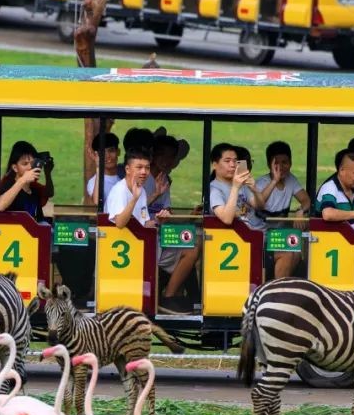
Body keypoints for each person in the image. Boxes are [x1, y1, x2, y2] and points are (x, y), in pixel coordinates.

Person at [104, 147, 200, 314]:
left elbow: (144, 222)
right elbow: (119, 223)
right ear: (127, 169)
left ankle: (168, 298)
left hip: (147, 247)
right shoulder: (120, 191)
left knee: (191, 248)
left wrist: (157, 221)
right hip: (130, 255)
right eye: (139, 167)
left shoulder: (139, 189)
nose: (144, 172)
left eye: (147, 168)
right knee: (190, 250)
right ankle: (168, 298)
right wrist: (134, 199)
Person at [252, 140, 313, 278]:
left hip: (278, 238)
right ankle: (277, 288)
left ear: (291, 163)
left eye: (284, 162)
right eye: (276, 163)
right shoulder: (261, 183)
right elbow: (259, 203)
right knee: (289, 253)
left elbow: (306, 200)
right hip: (259, 239)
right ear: (269, 165)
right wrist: (275, 180)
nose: (280, 167)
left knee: (296, 252)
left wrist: (300, 211)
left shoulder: (291, 180)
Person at [0, 141, 54, 221]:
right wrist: (22, 180)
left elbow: (49, 193)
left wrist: (48, 173)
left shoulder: (33, 187)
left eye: (32, 163)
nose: (30, 167)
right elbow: (1, 206)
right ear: (15, 168)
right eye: (25, 164)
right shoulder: (8, 183)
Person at [208, 143, 262, 225]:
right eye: (227, 161)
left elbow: (259, 206)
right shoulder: (214, 190)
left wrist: (255, 190)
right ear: (215, 165)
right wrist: (235, 187)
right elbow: (227, 219)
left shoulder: (242, 183)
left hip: (259, 228)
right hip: (243, 232)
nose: (233, 165)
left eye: (235, 161)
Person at [87, 131, 122, 205]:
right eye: (102, 153)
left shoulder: (126, 173)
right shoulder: (93, 182)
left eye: (111, 151)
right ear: (97, 156)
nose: (108, 156)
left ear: (118, 152)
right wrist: (98, 167)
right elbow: (97, 203)